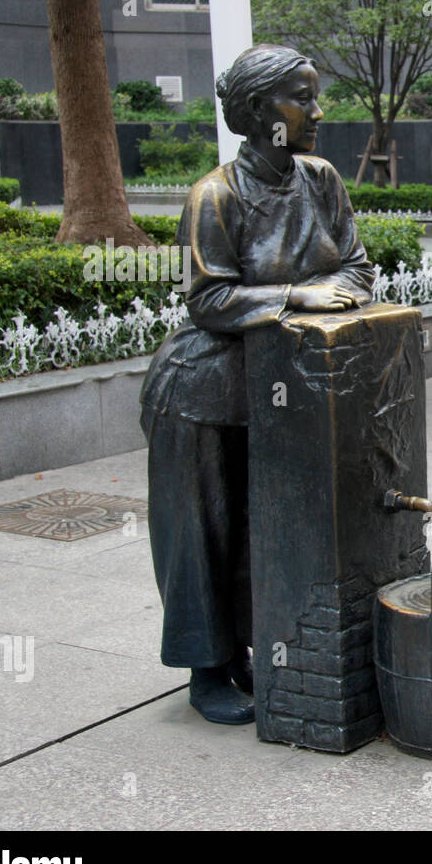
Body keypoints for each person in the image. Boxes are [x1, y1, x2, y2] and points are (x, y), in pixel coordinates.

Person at [139, 45, 373, 725]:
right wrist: (300, 295)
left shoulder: (323, 181)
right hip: (204, 395)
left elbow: (357, 270)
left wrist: (325, 295)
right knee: (202, 534)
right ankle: (206, 668)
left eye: (315, 93)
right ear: (254, 112)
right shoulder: (216, 196)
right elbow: (208, 301)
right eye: (301, 96)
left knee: (260, 530)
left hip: (283, 391)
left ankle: (246, 650)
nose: (317, 110)